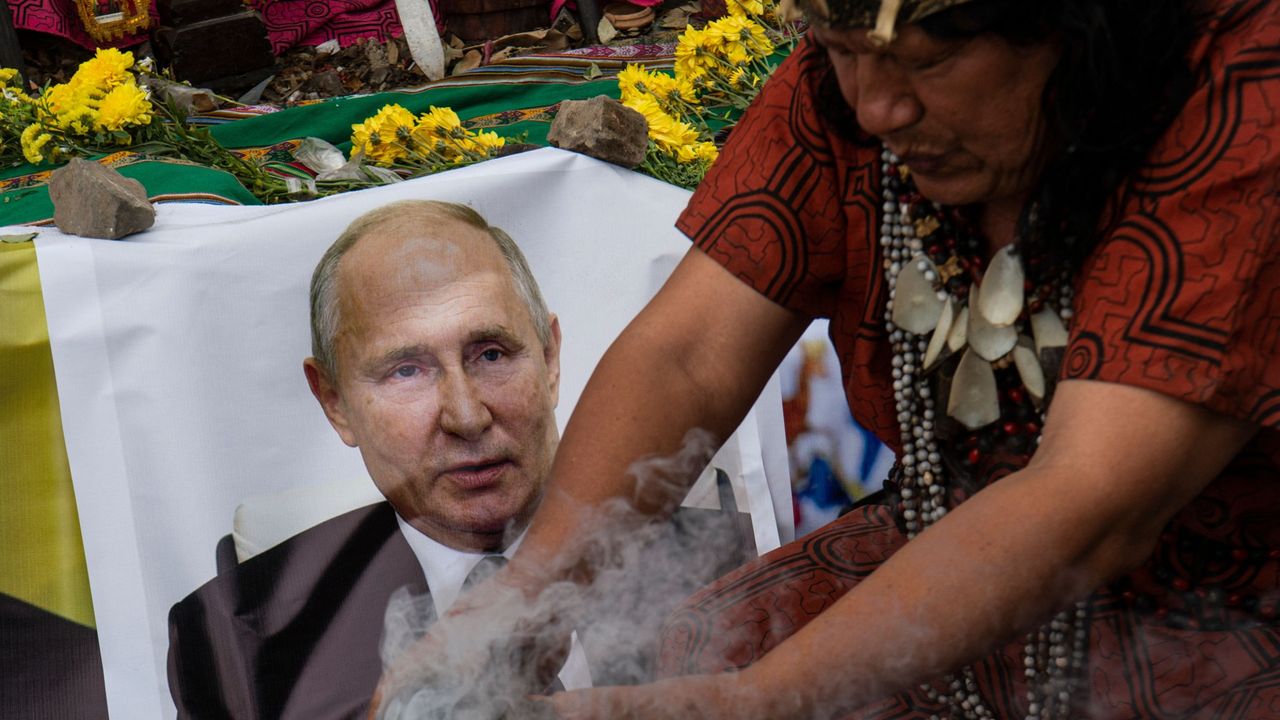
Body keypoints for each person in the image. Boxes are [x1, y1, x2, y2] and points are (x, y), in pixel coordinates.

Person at [370, 0, 1280, 718]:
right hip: (946, 556)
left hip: (1225, 615)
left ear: (1076, 31)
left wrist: (756, 706)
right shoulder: (843, 87)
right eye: (842, 48)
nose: (878, 107)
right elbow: (689, 356)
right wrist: (525, 600)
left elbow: (1088, 503)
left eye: (929, 61)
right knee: (715, 636)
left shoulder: (1242, 92)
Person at [166, 199, 590, 718]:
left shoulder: (707, 558)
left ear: (549, 360)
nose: (466, 416)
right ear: (335, 403)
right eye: (406, 371)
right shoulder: (235, 639)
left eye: (491, 354)